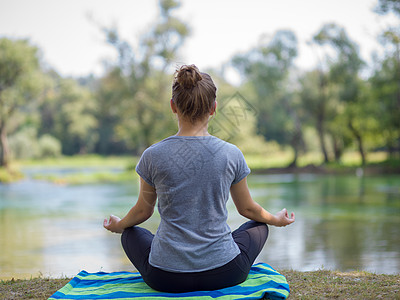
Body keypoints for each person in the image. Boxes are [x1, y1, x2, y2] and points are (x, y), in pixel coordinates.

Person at [103, 64, 295, 293]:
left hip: (165, 278)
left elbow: (143, 212)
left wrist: (119, 225)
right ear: (213, 108)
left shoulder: (152, 156)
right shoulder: (231, 153)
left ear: (173, 106)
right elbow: (248, 210)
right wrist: (276, 218)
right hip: (226, 273)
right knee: (259, 226)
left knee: (130, 233)